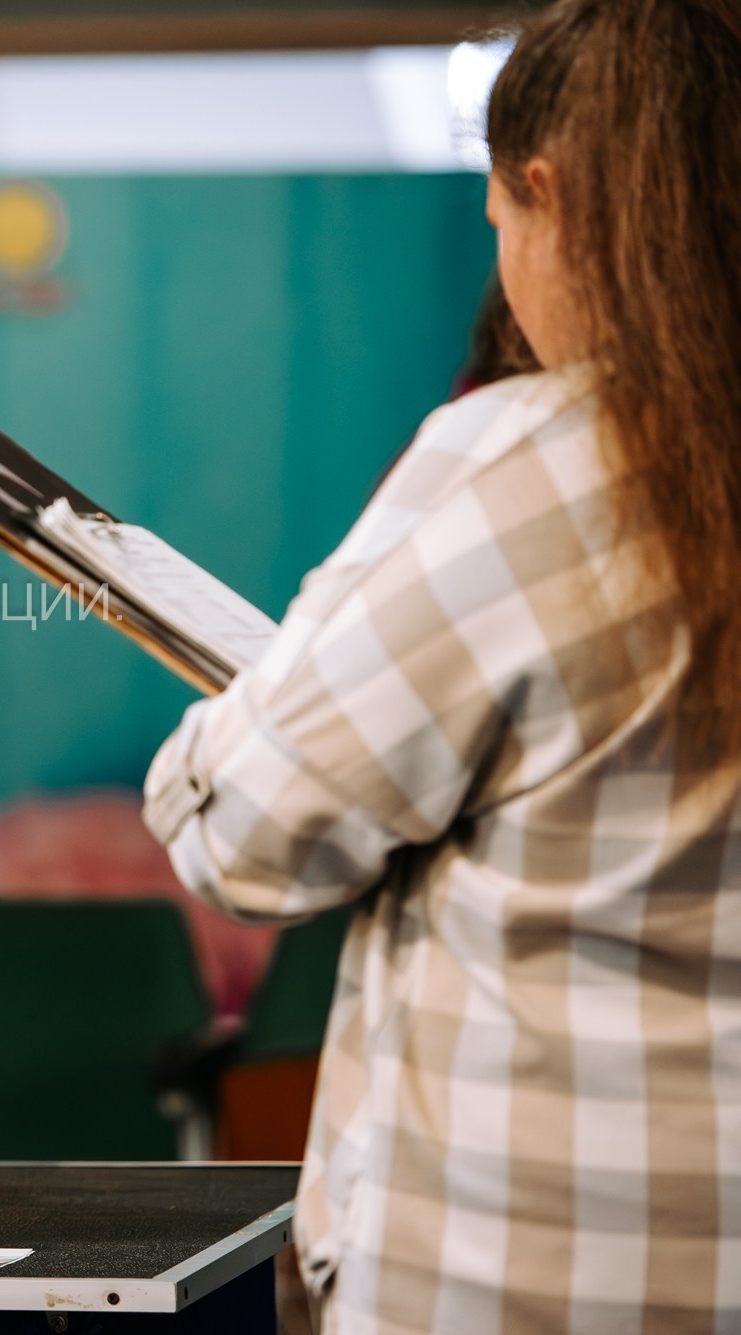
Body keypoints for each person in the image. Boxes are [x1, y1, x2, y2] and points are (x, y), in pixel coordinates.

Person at [142, 2, 741, 1330]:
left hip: (521, 1274)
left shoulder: (529, 460)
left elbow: (246, 834)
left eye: (499, 223)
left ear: (550, 197)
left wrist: (259, 691)